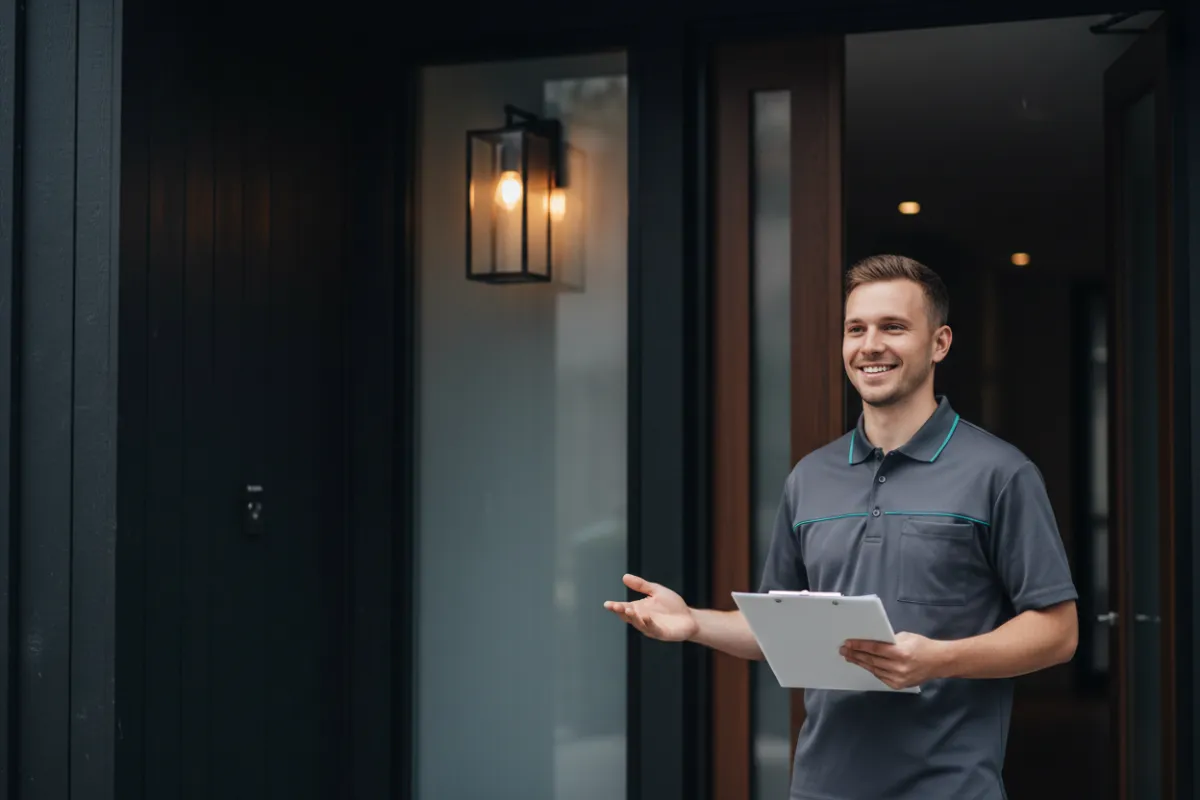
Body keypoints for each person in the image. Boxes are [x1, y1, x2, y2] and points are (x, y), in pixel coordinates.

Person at [604, 254, 1079, 799]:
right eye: (856, 329)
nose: (870, 345)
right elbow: (778, 628)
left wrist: (940, 659)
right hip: (821, 787)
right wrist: (691, 621)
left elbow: (1058, 632)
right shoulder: (810, 477)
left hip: (949, 789)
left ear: (940, 343)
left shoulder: (1001, 473)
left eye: (893, 327)